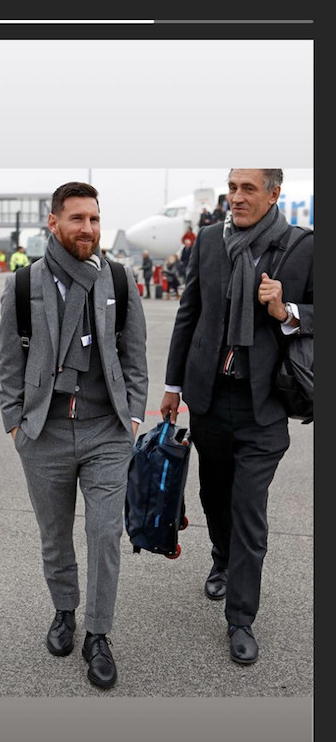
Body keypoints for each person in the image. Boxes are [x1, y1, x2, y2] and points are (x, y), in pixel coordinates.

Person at [0, 181, 148, 689]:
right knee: (55, 536)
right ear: (54, 223)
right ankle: (64, 610)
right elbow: (9, 362)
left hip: (107, 430)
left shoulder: (121, 282)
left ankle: (97, 634)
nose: (89, 229)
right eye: (79, 219)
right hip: (45, 431)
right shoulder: (24, 284)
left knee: (105, 535)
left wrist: (131, 418)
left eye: (96, 219)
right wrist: (15, 422)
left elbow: (135, 356)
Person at [159, 169, 313, 666]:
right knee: (213, 494)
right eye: (232, 187)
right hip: (208, 396)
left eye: (249, 188)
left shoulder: (301, 245)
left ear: (274, 193)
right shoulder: (209, 241)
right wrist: (173, 386)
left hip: (263, 404)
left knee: (250, 509)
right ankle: (221, 558)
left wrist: (285, 309)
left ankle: (241, 618)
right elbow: (190, 312)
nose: (237, 197)